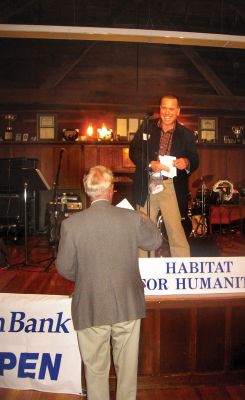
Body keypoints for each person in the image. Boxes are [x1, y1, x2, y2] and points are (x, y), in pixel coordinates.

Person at [56, 165, 162, 400]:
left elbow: (64, 268)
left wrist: (86, 276)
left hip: (91, 306)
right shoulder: (131, 218)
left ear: (87, 190)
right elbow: (154, 242)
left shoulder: (71, 225)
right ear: (111, 189)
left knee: (95, 372)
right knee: (127, 372)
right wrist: (144, 218)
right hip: (128, 305)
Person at [129, 94, 199, 257]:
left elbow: (195, 159)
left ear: (178, 111)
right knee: (145, 230)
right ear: (160, 109)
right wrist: (149, 163)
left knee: (176, 232)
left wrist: (186, 162)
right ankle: (145, 271)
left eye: (171, 109)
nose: (167, 112)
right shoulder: (147, 126)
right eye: (164, 108)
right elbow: (134, 151)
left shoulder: (187, 134)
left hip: (171, 187)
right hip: (147, 184)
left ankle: (183, 272)